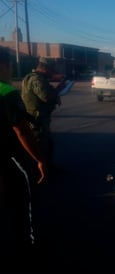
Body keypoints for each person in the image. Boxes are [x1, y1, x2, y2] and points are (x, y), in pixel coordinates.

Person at [0, 47, 48, 270]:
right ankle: (27, 249)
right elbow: (21, 131)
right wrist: (39, 159)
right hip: (8, 158)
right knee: (22, 199)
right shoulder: (6, 91)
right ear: (5, 66)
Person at [21, 56, 65, 170]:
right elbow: (46, 97)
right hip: (36, 119)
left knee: (46, 144)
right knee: (41, 145)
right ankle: (42, 170)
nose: (52, 72)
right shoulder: (37, 79)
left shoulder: (36, 78)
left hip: (38, 117)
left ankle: (47, 167)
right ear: (45, 68)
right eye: (51, 69)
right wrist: (58, 89)